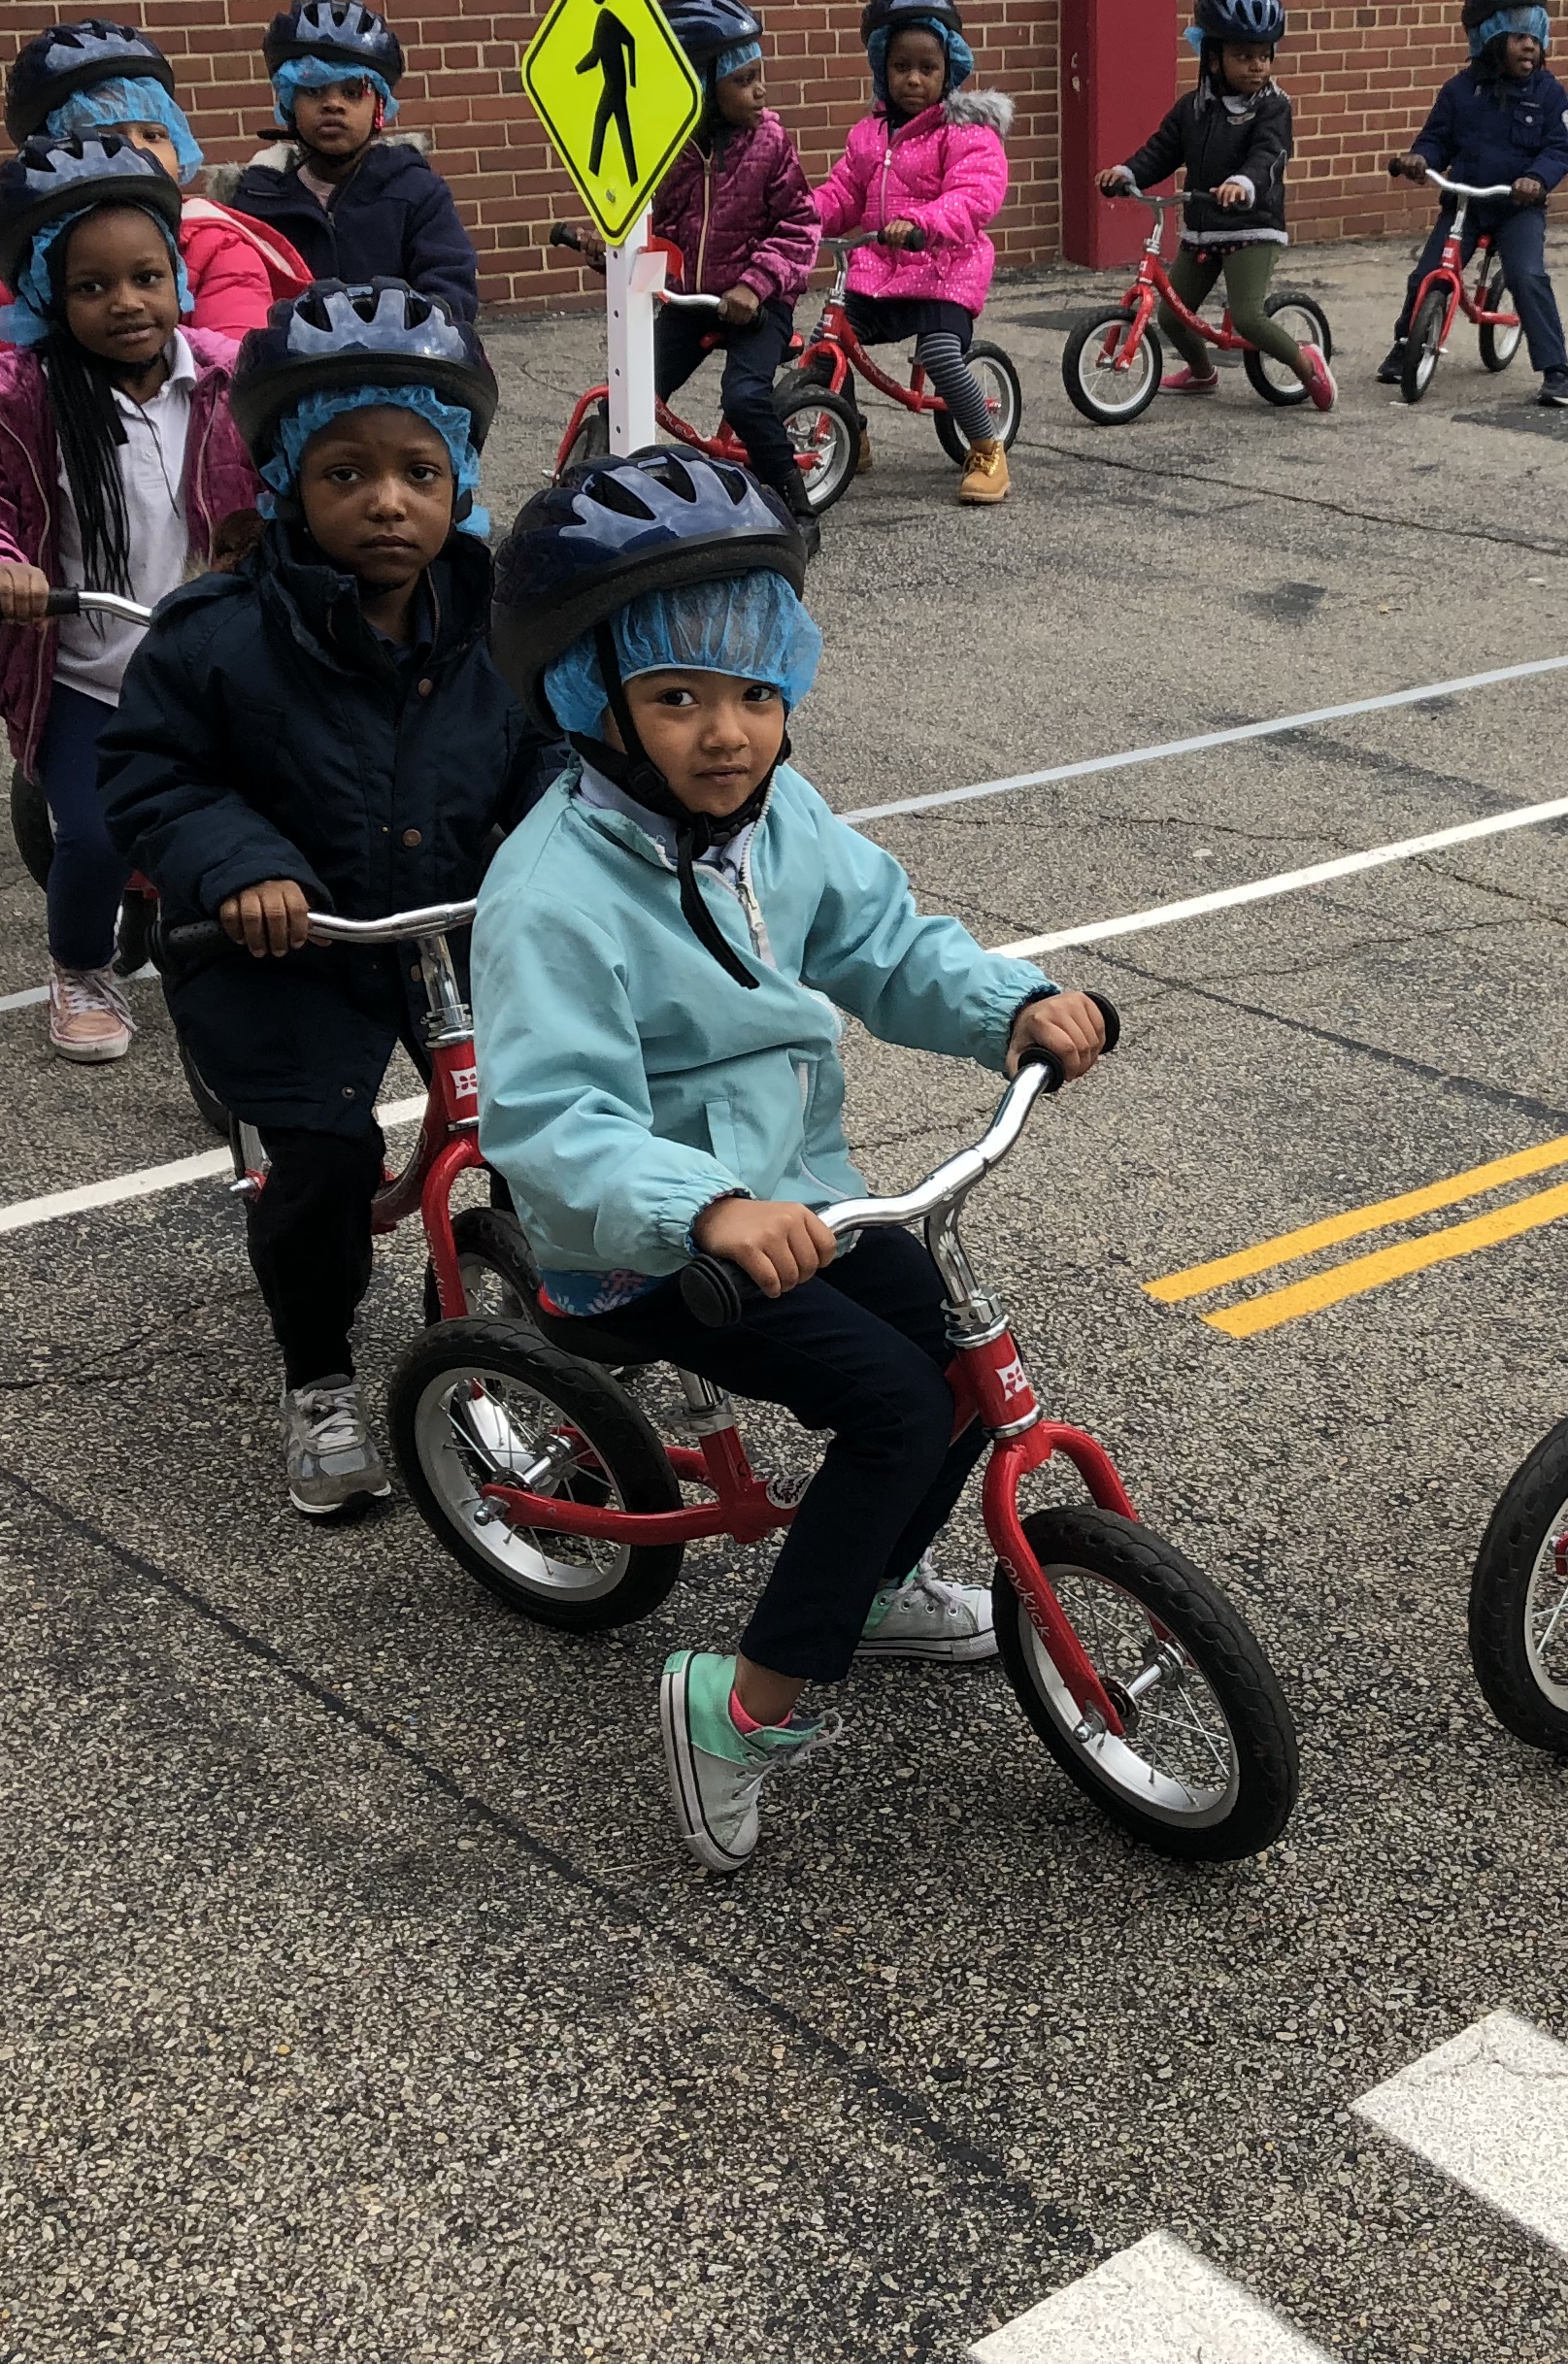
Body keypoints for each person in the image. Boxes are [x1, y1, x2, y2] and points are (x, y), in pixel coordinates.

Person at [470, 449, 1118, 1872]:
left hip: (797, 1205)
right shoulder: (551, 893)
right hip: (643, 1245)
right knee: (896, 1402)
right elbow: (552, 1125)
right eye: (678, 697)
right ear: (596, 703)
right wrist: (701, 1203)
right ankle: (738, 1705)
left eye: (757, 694)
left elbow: (883, 946)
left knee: (951, 1364)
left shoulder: (777, 826)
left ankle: (871, 1580)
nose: (727, 734)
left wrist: (1011, 1002)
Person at [99, 286, 563, 1517]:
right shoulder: (215, 636)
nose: (386, 500)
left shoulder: (505, 627)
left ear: (461, 482)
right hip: (287, 944)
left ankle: (524, 1315)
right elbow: (153, 769)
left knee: (546, 1118)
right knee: (319, 1164)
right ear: (289, 488)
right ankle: (317, 1372)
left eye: (419, 469)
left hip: (458, 930)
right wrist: (241, 864)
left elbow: (557, 758)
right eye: (345, 473)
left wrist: (553, 852)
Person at [0, 20, 309, 903]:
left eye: (152, 131)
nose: (135, 151)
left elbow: (238, 351)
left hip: (198, 491)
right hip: (76, 501)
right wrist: (8, 447)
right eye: (104, 135)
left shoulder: (212, 237)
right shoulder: (32, 253)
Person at [0, 136, 254, 1062]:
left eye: (146, 277)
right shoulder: (19, 398)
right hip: (88, 666)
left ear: (177, 281)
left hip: (207, 657)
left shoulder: (230, 381)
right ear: (47, 298)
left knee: (262, 808)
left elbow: (292, 476)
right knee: (96, 835)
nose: (125, 304)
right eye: (92, 287)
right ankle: (79, 964)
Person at [809, 0, 1017, 506]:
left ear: (950, 69)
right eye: (902, 67)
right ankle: (850, 433)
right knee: (824, 346)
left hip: (945, 274)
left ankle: (988, 449)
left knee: (943, 357)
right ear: (883, 68)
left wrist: (923, 220)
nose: (914, 79)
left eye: (928, 68)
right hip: (880, 273)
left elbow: (975, 195)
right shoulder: (868, 134)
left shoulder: (964, 131)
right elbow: (843, 191)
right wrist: (804, 216)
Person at [1092, 0, 1334, 412]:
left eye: (1264, 56)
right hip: (1204, 228)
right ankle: (1203, 373)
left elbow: (1270, 155)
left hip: (1253, 226)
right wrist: (1126, 172)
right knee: (1171, 315)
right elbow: (1161, 151)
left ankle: (1307, 364)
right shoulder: (1193, 108)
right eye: (1244, 56)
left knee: (1247, 317)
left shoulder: (1273, 107)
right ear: (1213, 56)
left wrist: (1243, 185)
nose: (1257, 66)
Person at [643, 0, 823, 522]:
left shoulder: (770, 141)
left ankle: (794, 501)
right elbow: (647, 218)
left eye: (759, 76)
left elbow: (800, 223)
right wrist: (610, 246)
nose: (760, 91)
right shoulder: (665, 145)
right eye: (743, 81)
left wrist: (756, 283)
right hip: (690, 298)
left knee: (744, 398)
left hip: (759, 304)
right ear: (695, 85)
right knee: (630, 386)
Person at [1382, 0, 1568, 405]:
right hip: (1465, 204)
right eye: (1517, 35)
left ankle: (1557, 369)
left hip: (1516, 206)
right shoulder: (1459, 91)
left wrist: (1537, 179)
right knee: (1428, 274)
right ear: (1488, 40)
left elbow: (1560, 148)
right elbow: (1436, 139)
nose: (1530, 44)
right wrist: (1421, 159)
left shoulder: (1549, 94)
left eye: (1537, 34)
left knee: (1527, 276)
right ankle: (1404, 346)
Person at [232, 0, 482, 319]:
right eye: (313, 89)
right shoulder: (257, 201)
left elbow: (451, 289)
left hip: (395, 361)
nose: (333, 104)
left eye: (352, 92)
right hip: (298, 365)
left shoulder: (417, 193)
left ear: (380, 108)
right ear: (288, 103)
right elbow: (238, 302)